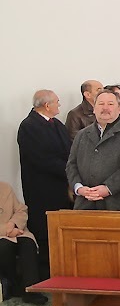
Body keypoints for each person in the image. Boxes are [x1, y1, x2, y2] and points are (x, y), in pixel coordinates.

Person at [18, 89, 74, 286]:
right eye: (57, 101)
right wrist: (69, 171)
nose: (60, 105)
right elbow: (40, 159)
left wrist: (73, 169)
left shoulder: (56, 124)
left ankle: (63, 273)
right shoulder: (29, 126)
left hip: (62, 187)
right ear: (47, 105)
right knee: (45, 232)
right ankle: (46, 277)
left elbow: (69, 150)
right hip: (41, 189)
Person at [67, 88, 120, 211]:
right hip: (85, 203)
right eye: (101, 104)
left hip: (118, 205)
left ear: (119, 109)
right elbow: (71, 165)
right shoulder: (82, 135)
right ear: (94, 108)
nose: (105, 108)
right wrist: (79, 188)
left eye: (110, 104)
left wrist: (108, 188)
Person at [0, 182, 43, 303]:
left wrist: (13, 223)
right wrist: (7, 230)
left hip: (18, 230)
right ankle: (12, 284)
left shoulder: (5, 188)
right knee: (5, 246)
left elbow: (21, 210)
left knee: (28, 244)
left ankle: (32, 291)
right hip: (3, 234)